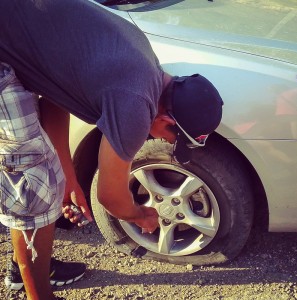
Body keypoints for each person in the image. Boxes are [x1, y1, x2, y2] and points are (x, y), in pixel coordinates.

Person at [0, 1, 223, 299]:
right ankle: (38, 294)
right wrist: (139, 215)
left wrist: (68, 177)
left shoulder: (145, 62)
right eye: (174, 138)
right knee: (33, 183)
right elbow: (110, 197)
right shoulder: (136, 105)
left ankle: (23, 267)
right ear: (167, 119)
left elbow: (57, 93)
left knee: (49, 179)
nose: (168, 143)